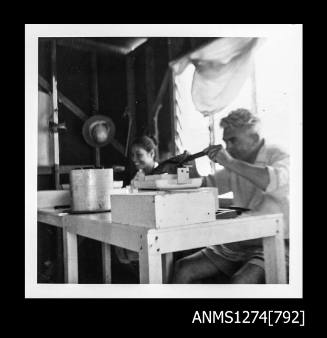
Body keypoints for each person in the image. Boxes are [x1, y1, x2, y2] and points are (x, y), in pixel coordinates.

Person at [172, 108, 289, 284]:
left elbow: (271, 180)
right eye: (226, 142)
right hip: (243, 239)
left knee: (240, 282)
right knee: (183, 268)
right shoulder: (235, 163)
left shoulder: (278, 154)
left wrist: (229, 161)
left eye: (233, 140)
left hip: (276, 241)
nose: (228, 148)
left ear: (255, 138)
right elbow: (206, 184)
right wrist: (190, 167)